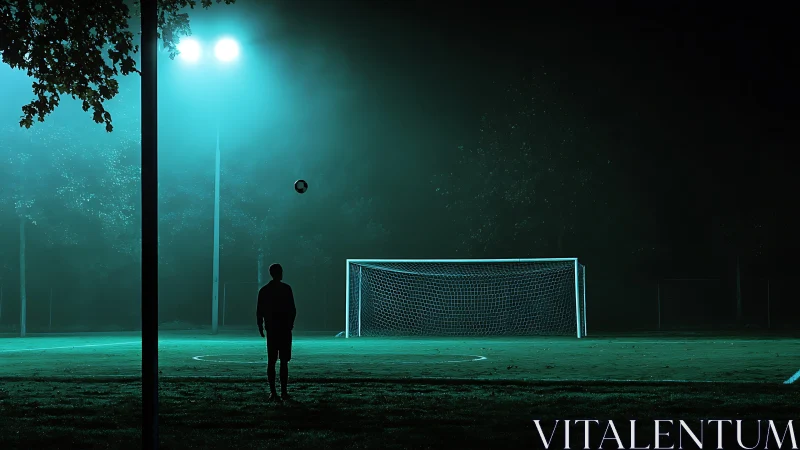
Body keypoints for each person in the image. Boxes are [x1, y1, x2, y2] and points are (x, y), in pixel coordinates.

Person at [256, 263, 297, 401]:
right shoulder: (286, 289)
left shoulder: (264, 290)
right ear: (279, 273)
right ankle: (283, 391)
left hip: (272, 329)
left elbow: (259, 311)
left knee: (271, 361)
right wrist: (290, 324)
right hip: (284, 329)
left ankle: (273, 392)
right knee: (284, 361)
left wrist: (260, 326)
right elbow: (292, 309)